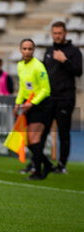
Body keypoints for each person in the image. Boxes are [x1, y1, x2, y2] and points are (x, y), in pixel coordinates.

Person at [41, 21, 83, 174]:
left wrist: (64, 60)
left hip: (65, 98)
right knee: (42, 131)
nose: (57, 36)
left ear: (65, 33)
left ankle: (62, 165)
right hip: (49, 98)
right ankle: (41, 162)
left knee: (63, 132)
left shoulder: (74, 51)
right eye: (55, 33)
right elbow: (44, 72)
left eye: (60, 33)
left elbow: (78, 71)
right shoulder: (49, 50)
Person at [13, 38, 53, 180]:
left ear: (33, 50)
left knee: (33, 138)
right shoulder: (20, 65)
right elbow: (23, 87)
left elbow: (46, 90)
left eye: (30, 49)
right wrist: (18, 104)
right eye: (25, 48)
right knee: (28, 140)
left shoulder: (38, 66)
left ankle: (37, 172)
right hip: (28, 105)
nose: (27, 51)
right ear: (20, 50)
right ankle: (47, 165)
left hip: (41, 105)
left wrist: (33, 103)